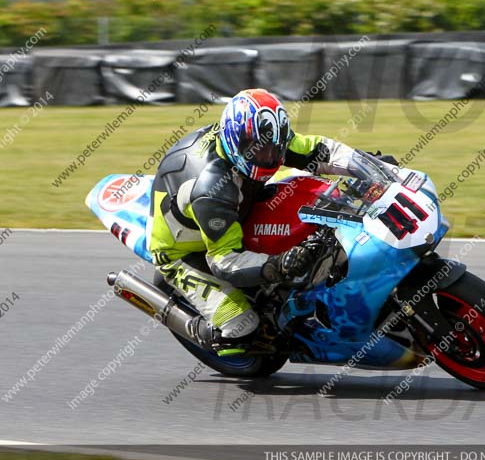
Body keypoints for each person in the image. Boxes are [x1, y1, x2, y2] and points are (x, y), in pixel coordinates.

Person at [148, 88, 387, 355]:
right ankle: (208, 332)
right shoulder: (212, 189)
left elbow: (322, 151)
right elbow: (224, 261)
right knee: (241, 328)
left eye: (275, 149)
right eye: (258, 150)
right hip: (186, 250)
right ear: (235, 141)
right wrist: (278, 265)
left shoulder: (267, 138)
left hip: (236, 206)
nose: (268, 157)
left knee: (316, 206)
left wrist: (372, 168)